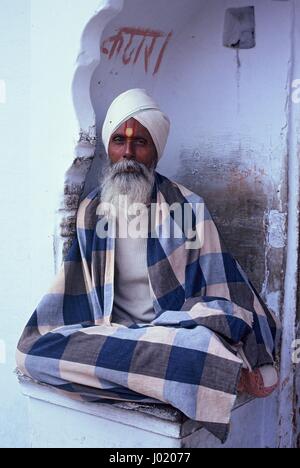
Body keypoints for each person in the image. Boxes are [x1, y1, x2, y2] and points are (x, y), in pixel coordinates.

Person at [16, 89, 280, 443]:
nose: (128, 153)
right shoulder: (91, 212)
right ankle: (162, 379)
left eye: (140, 141)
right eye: (118, 141)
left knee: (197, 353)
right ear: (107, 147)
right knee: (31, 352)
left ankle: (150, 375)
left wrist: (248, 349)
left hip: (172, 336)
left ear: (156, 149)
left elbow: (223, 294)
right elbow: (72, 295)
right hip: (112, 337)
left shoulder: (187, 208)